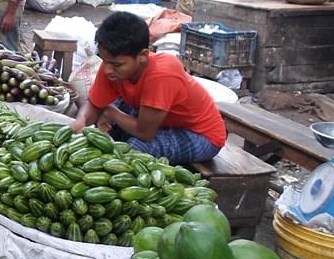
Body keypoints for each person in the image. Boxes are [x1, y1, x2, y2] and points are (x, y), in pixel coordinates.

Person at [71, 11, 226, 164]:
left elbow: (145, 133)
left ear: (143, 55)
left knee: (134, 151)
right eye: (105, 61)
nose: (107, 70)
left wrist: (112, 112)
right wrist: (80, 121)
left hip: (201, 135)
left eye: (117, 64)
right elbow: (95, 103)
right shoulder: (112, 68)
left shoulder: (162, 74)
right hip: (156, 119)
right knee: (110, 123)